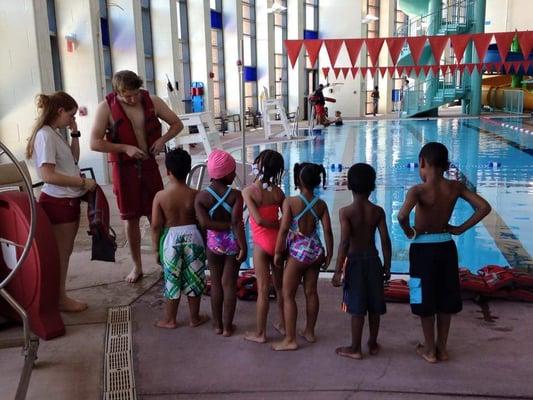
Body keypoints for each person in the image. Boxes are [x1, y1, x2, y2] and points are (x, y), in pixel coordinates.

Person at [397, 142, 491, 363]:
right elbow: (484, 207)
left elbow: (401, 216)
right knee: (446, 298)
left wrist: (409, 231)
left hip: (422, 250)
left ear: (422, 163)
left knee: (424, 298)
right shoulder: (455, 187)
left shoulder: (418, 190)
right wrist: (459, 228)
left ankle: (429, 350)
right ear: (447, 166)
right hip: (446, 247)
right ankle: (443, 348)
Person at [91, 70, 184, 283]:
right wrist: (124, 148)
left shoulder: (152, 101)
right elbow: (95, 143)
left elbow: (177, 124)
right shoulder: (105, 108)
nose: (133, 99)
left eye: (135, 94)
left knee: (157, 215)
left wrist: (163, 140)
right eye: (127, 96)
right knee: (129, 218)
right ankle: (137, 266)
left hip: (149, 165)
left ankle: (162, 261)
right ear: (116, 93)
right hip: (124, 169)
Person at [26, 92, 97, 312]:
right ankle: (60, 298)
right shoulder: (45, 136)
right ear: (59, 111)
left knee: (63, 252)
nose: (72, 119)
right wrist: (81, 183)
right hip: (59, 201)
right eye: (71, 115)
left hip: (66, 199)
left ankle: (59, 295)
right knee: (61, 254)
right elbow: (47, 175)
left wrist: (75, 133)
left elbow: (73, 160)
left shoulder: (54, 133)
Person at [331, 163, 391, 359]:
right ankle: (372, 343)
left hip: (355, 262)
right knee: (374, 306)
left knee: (356, 307)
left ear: (349, 185)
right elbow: (385, 240)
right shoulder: (378, 211)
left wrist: (338, 270)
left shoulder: (346, 212)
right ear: (373, 186)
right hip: (373, 260)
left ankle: (355, 348)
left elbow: (345, 242)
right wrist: (387, 266)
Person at [272, 163, 333, 351]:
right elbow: (328, 231)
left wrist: (277, 252)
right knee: (311, 292)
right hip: (315, 251)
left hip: (298, 253)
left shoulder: (290, 202)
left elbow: (283, 231)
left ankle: (290, 339)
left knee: (288, 294)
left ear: (298, 180)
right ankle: (309, 331)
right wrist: (329, 254)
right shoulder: (321, 204)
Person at [151, 149, 209, 329]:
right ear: (189, 169)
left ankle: (170, 319)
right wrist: (205, 243)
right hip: (194, 236)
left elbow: (155, 225)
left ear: (168, 171)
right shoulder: (196, 194)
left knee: (172, 278)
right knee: (195, 277)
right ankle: (194, 318)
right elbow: (203, 222)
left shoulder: (161, 196)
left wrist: (156, 249)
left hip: (171, 239)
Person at [194, 149, 247, 337]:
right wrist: (243, 245)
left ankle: (217, 325)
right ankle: (227, 327)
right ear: (225, 173)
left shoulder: (201, 197)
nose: (234, 175)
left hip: (213, 243)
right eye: (233, 171)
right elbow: (236, 223)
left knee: (216, 283)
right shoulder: (236, 196)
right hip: (233, 242)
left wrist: (219, 229)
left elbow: (205, 223)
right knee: (229, 284)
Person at [243, 150, 286, 343]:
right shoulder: (278, 192)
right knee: (280, 288)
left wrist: (272, 224)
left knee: (262, 290)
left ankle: (260, 333)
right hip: (278, 244)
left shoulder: (249, 191)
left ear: (258, 166)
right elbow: (287, 218)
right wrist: (278, 225)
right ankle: (283, 324)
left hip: (261, 245)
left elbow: (258, 220)